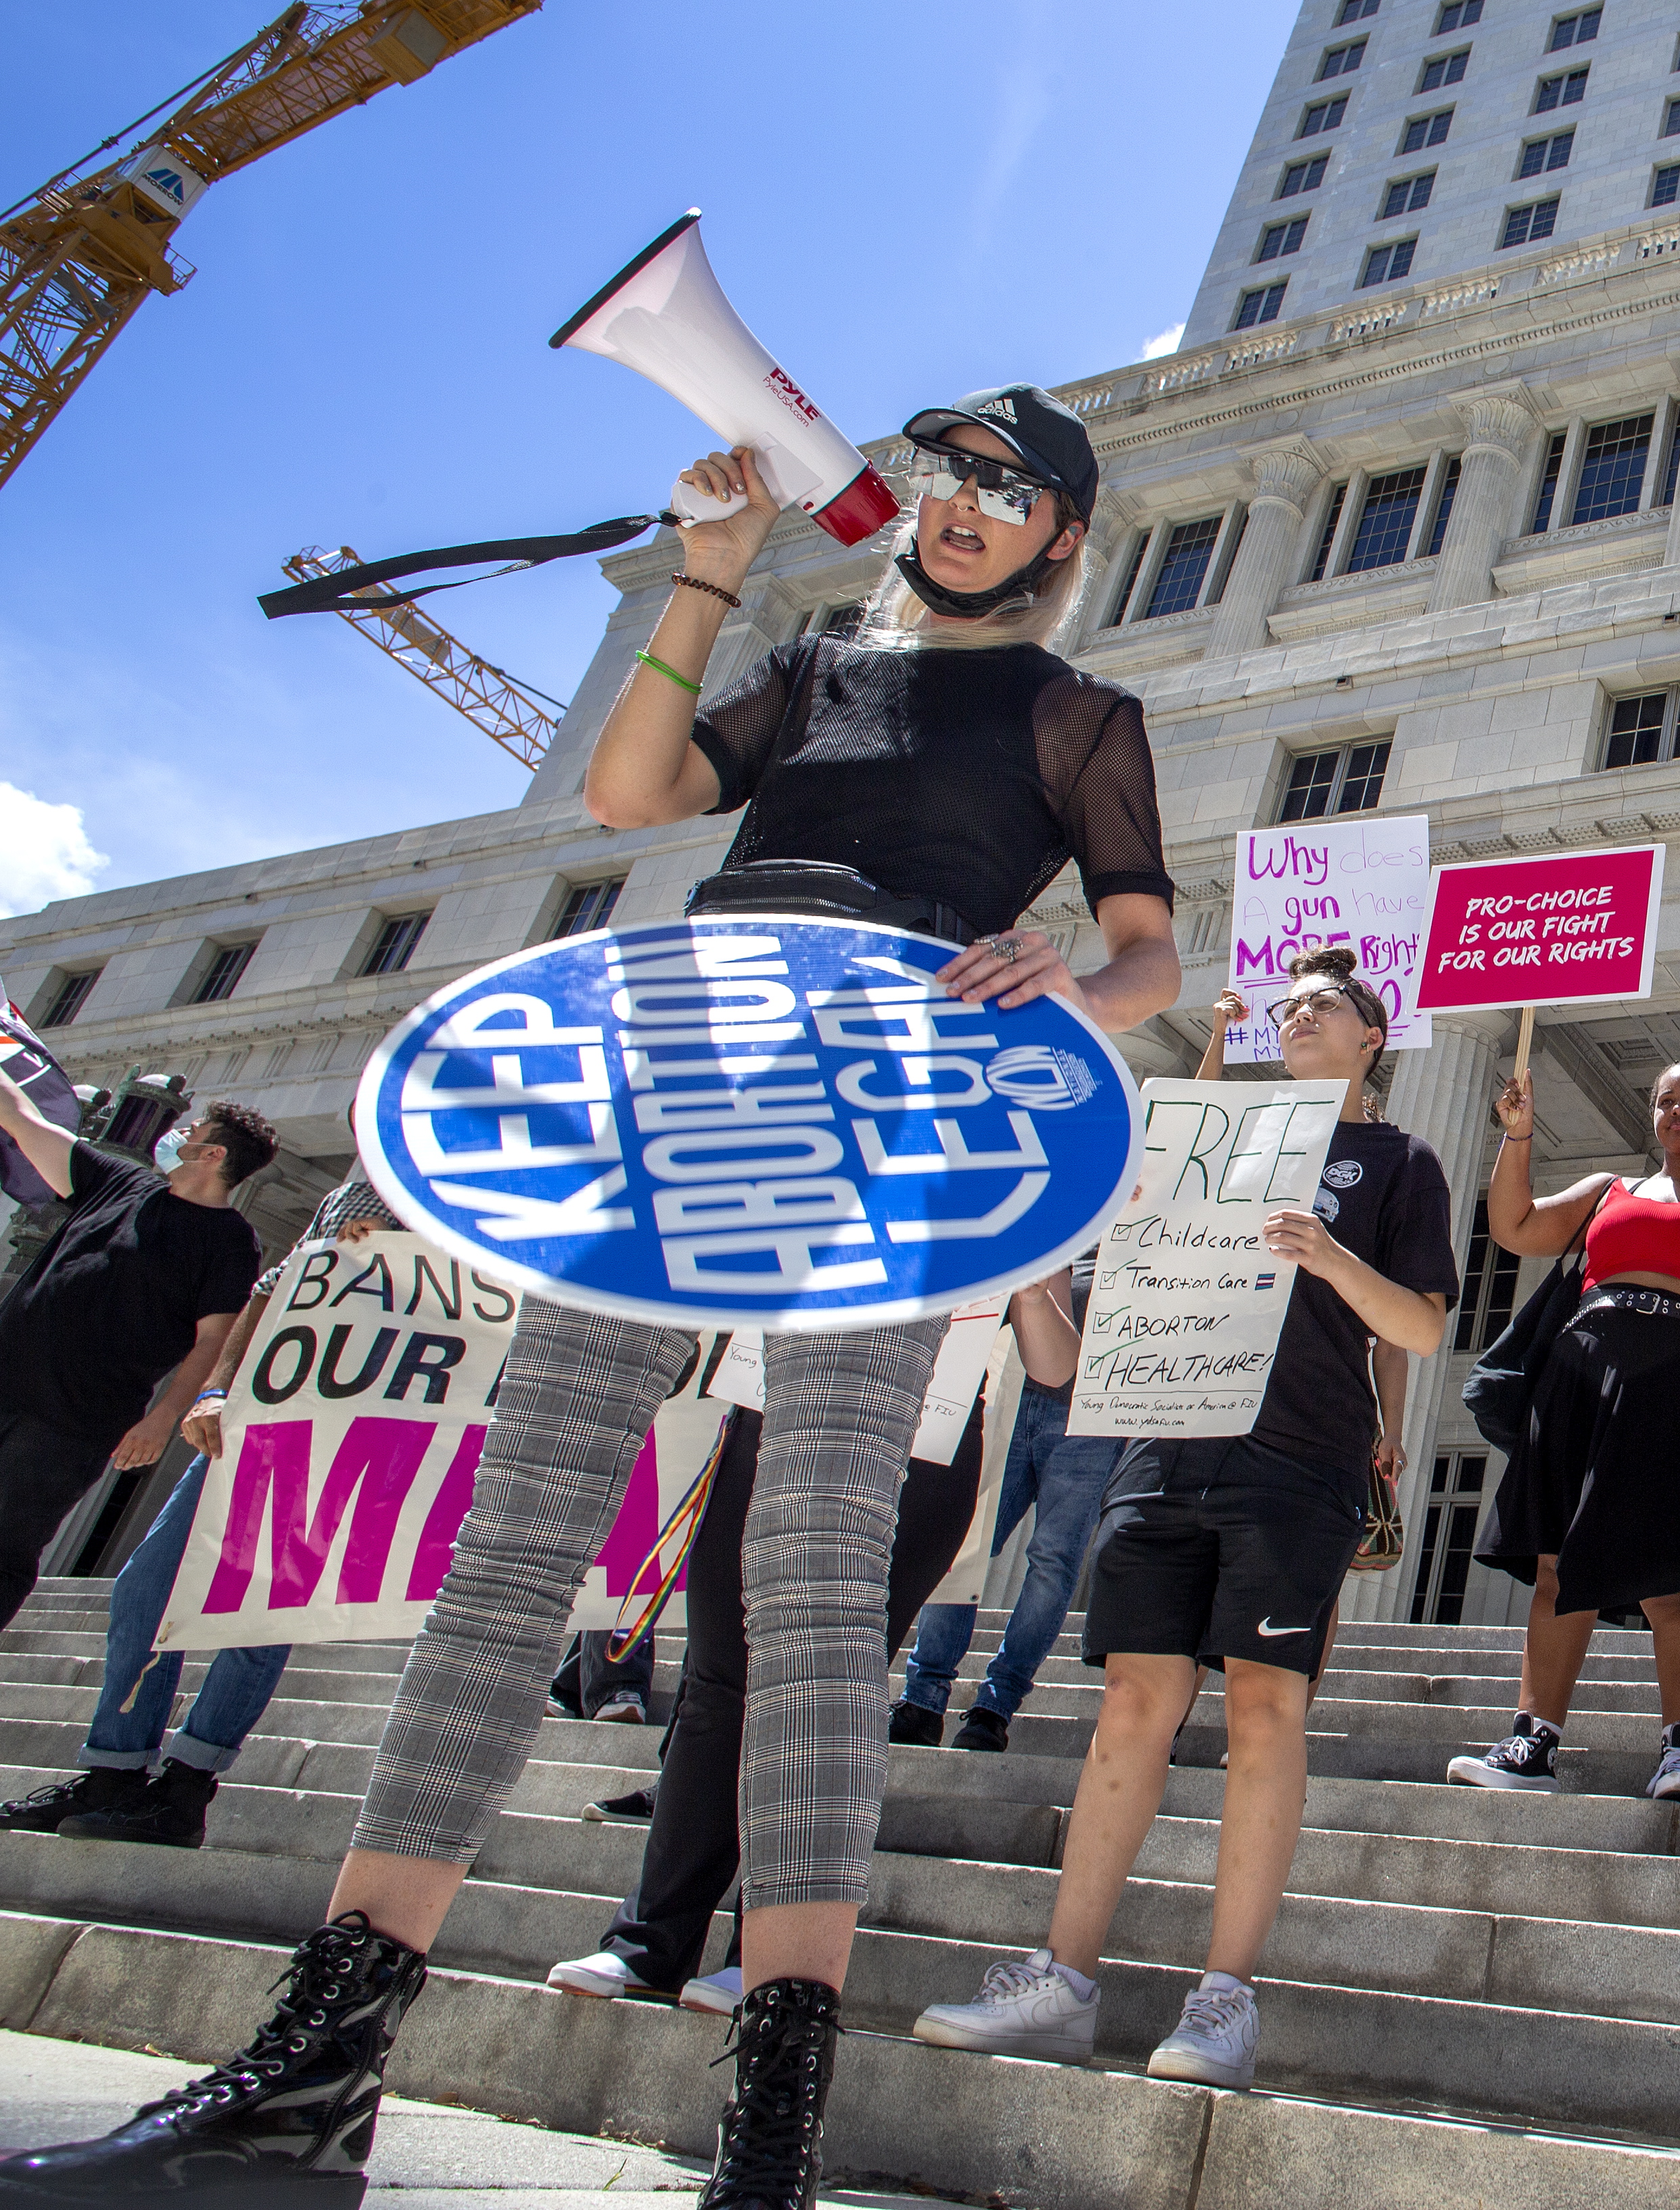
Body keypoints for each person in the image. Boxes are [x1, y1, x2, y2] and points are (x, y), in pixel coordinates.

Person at [2, 383, 1180, 2210]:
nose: (964, 504)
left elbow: (1148, 947)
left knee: (809, 1577)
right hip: (692, 1073)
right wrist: (702, 581)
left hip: (889, 1111)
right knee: (517, 1534)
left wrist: (1072, 984)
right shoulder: (808, 662)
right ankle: (320, 2068)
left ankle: (770, 2125)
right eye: (949, 474)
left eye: (1010, 487)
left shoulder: (1080, 713)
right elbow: (633, 796)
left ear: (1064, 536)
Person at [908, 947, 1455, 2090]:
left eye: (1328, 1005)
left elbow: (1417, 1328)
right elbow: (1069, 1355)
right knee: (1129, 1703)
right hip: (1162, 1444)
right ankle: (1061, 1978)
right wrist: (1035, 1270)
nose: (1300, 1012)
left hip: (1301, 1456)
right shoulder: (1209, 1144)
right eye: (1290, 1003)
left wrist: (1327, 1251)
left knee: (1263, 1708)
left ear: (1373, 1037)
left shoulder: (1398, 1160)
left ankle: (1225, 1997)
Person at [547, 1278, 1072, 2014]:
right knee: (717, 1683)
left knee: (823, 1698)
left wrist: (1024, 1280)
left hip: (921, 1449)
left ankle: (761, 1958)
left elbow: (1056, 1368)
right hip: (773, 1410)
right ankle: (646, 1945)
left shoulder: (1018, 1195)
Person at [0, 1172, 387, 1849]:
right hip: (263, 1408)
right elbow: (269, 1292)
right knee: (148, 1586)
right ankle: (114, 1773)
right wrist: (214, 1390)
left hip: (355, 1424)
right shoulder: (358, 1183)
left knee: (265, 1608)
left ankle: (186, 1788)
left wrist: (402, 1261)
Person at [1450, 1059, 1680, 1804]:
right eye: (1665, 1101)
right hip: (1582, 1372)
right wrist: (1517, 1138)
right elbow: (1515, 1227)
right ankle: (1533, 1741)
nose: (1677, 1112)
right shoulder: (1610, 1189)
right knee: (1555, 1565)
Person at [0, 1093, 271, 1636]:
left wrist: (164, 1414)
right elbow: (21, 1119)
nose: (176, 1133)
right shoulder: (117, 1182)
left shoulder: (230, 1243)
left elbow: (214, 1340)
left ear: (211, 1153)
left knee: (5, 1545)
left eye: (192, 1128)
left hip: (70, 1424)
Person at [893, 1262, 1100, 1753]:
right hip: (1014, 1375)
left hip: (1098, 1403)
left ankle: (996, 1705)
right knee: (966, 1540)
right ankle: (922, 1697)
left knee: (1053, 1561)